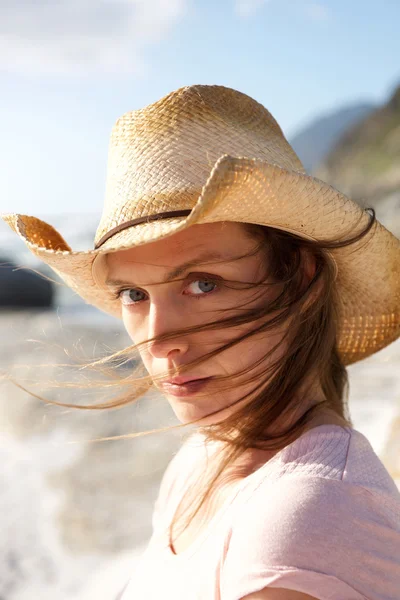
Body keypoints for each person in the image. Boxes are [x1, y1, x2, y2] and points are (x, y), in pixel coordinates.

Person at [2, 84, 400, 599]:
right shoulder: (203, 458)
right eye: (134, 293)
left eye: (204, 283)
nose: (160, 337)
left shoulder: (304, 521)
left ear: (302, 279)